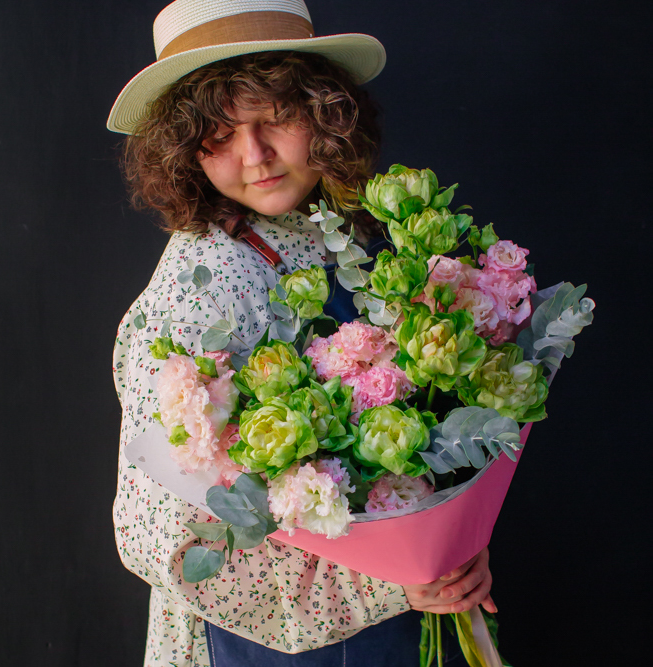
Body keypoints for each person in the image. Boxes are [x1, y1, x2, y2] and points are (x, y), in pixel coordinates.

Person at [109, 2, 496, 665]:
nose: (254, 155)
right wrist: (385, 585)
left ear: (326, 111)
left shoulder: (340, 231)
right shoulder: (200, 293)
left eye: (276, 116)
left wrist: (449, 549)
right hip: (265, 644)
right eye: (219, 134)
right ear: (181, 147)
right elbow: (157, 535)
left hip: (397, 620)